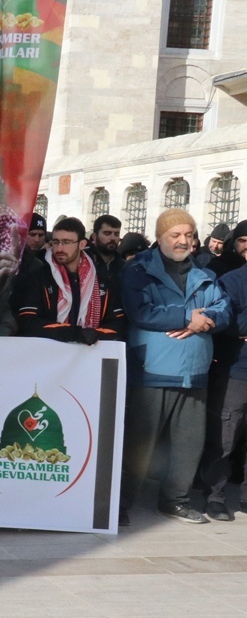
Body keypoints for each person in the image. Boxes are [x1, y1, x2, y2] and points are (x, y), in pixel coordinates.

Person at [120, 208, 230, 526]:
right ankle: (122, 501)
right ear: (160, 237)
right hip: (152, 369)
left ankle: (175, 500)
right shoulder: (138, 270)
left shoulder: (204, 274)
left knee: (189, 442)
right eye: (175, 235)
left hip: (194, 370)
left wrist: (200, 323)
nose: (183, 241)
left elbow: (222, 310)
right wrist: (187, 317)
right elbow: (142, 311)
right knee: (141, 442)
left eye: (189, 234)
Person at [11, 217, 124, 343]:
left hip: (91, 354)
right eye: (55, 242)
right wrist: (75, 333)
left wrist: (95, 334)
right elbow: (28, 322)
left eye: (66, 242)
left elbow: (118, 323)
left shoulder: (101, 279)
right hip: (48, 354)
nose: (59, 248)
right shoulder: (39, 276)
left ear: (82, 244)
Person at [201, 234, 247, 521]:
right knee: (224, 437)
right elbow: (226, 320)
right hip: (236, 370)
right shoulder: (231, 280)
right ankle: (214, 497)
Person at [88, 214, 124, 286]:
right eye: (107, 233)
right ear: (94, 236)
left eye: (116, 234)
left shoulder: (124, 267)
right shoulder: (84, 262)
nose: (113, 238)